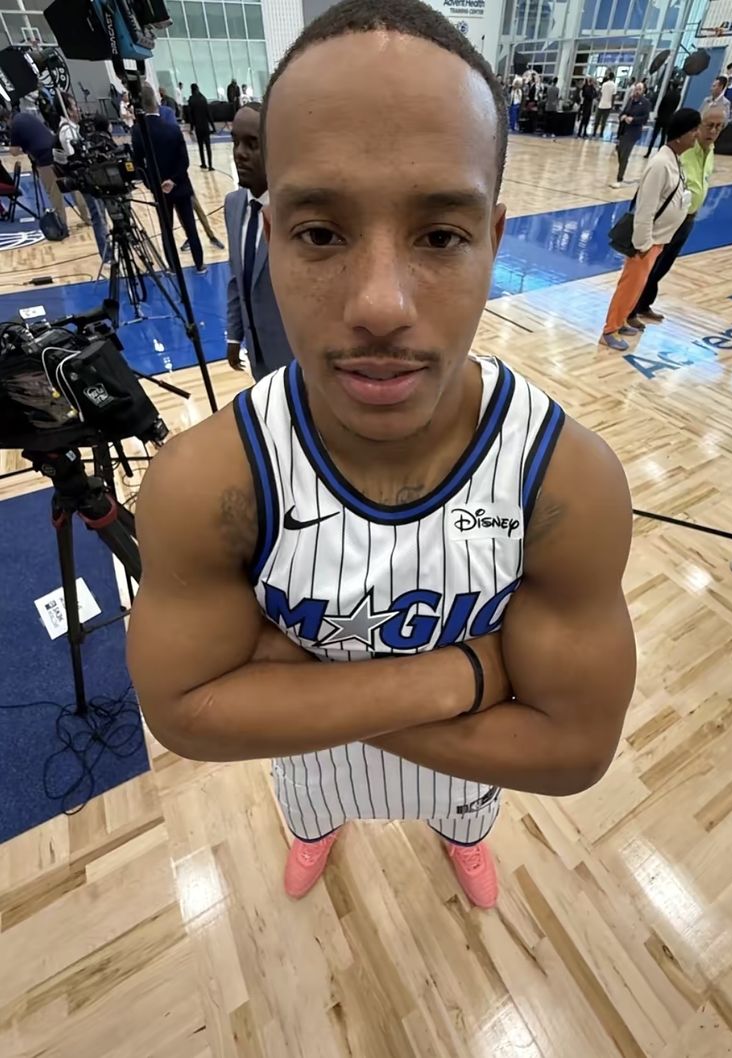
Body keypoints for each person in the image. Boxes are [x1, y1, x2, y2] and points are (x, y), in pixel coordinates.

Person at [128, 0, 636, 911]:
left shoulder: (566, 481)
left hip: (457, 780)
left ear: (492, 242)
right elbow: (186, 717)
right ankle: (317, 832)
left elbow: (572, 754)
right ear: (270, 237)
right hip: (331, 769)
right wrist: (464, 675)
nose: (379, 305)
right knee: (311, 811)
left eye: (439, 236)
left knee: (465, 821)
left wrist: (296, 688)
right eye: (322, 233)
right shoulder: (207, 483)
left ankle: (457, 841)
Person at [600, 108, 701, 351]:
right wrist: (643, 243)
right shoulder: (660, 164)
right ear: (680, 135)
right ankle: (609, 330)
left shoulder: (674, 160)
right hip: (647, 241)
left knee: (639, 285)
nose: (697, 135)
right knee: (630, 285)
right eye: (693, 130)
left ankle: (622, 321)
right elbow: (645, 209)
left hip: (659, 239)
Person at [633, 104, 728, 323]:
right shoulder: (684, 149)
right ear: (697, 126)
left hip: (689, 217)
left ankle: (644, 304)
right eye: (709, 125)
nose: (714, 131)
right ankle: (630, 310)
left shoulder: (710, 150)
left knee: (663, 265)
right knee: (650, 264)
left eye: (719, 126)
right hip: (670, 218)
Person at [224, 103, 292, 377]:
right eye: (235, 142)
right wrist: (234, 336)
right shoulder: (232, 205)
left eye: (252, 144)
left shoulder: (293, 210)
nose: (239, 153)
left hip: (294, 354)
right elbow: (236, 278)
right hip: (256, 353)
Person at [131, 84, 207, 274]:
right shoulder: (173, 129)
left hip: (159, 189)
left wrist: (152, 185)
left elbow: (138, 165)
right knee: (190, 226)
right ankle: (199, 263)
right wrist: (173, 180)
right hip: (180, 185)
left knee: (166, 230)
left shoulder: (138, 132)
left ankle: (173, 267)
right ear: (156, 102)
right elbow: (184, 161)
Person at [57, 96, 110, 260]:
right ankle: (107, 256)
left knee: (101, 215)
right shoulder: (67, 132)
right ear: (68, 110)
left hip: (91, 178)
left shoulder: (74, 129)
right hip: (85, 179)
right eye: (74, 106)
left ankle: (108, 249)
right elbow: (74, 159)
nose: (78, 109)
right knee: (98, 216)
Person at [8, 108, 70, 236]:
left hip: (44, 158)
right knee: (70, 185)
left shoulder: (15, 125)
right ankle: (87, 217)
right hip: (57, 151)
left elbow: (14, 152)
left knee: (54, 192)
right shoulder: (26, 116)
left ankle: (62, 226)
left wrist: (24, 149)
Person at [610, 82, 651, 188]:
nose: (637, 91)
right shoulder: (630, 100)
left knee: (625, 155)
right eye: (636, 88)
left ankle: (619, 178)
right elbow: (624, 111)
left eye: (639, 89)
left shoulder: (645, 103)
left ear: (643, 91)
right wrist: (622, 116)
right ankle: (621, 173)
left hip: (633, 132)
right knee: (620, 152)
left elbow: (645, 118)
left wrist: (633, 120)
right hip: (623, 130)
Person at [645, 80, 681, 157]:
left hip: (661, 118)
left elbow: (661, 105)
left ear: (671, 86)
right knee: (663, 137)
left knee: (654, 136)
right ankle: (659, 153)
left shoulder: (667, 94)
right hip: (669, 119)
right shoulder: (678, 96)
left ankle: (648, 152)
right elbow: (675, 107)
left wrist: (658, 115)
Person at [188, 83, 215, 170]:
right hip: (205, 126)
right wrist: (213, 126)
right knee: (208, 146)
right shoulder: (203, 98)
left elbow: (191, 116)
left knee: (200, 146)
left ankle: (203, 163)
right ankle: (210, 165)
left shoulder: (191, 100)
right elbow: (208, 114)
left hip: (198, 127)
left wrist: (191, 128)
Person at [593, 73, 616, 138]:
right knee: (604, 120)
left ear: (608, 77)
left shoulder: (604, 84)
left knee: (597, 119)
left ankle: (594, 132)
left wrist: (599, 100)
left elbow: (600, 94)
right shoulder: (614, 85)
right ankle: (601, 133)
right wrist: (612, 105)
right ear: (613, 77)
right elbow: (613, 97)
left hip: (601, 104)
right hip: (608, 105)